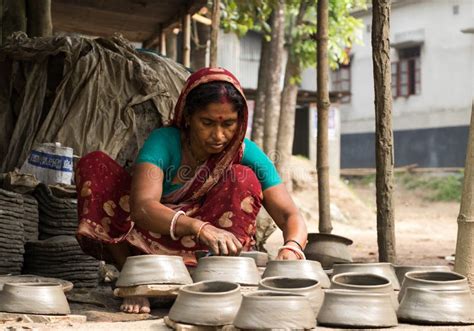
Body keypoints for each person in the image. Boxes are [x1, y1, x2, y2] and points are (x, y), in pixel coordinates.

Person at [75, 67, 308, 314]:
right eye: (207, 123)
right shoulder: (164, 141)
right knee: (95, 165)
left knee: (244, 177)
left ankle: (211, 280)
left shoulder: (245, 152)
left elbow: (289, 215)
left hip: (202, 249)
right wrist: (199, 228)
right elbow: (143, 207)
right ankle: (136, 281)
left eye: (229, 124)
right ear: (188, 117)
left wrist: (292, 247)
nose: (219, 135)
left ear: (240, 121)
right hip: (146, 236)